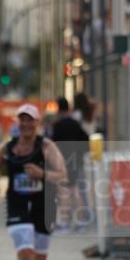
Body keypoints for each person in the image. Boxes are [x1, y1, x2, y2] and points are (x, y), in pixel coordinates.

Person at [0, 104, 66, 260]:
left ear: (37, 123)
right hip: (17, 204)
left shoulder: (46, 146)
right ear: (17, 123)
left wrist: (42, 173)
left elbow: (62, 173)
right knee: (25, 252)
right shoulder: (8, 146)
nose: (25, 124)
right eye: (22, 120)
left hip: (43, 205)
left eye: (30, 120)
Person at [51, 97, 89, 230]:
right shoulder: (75, 123)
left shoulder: (58, 125)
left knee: (64, 191)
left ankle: (66, 221)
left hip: (63, 161)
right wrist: (79, 155)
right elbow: (85, 139)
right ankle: (81, 220)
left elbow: (53, 145)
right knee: (74, 189)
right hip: (75, 160)